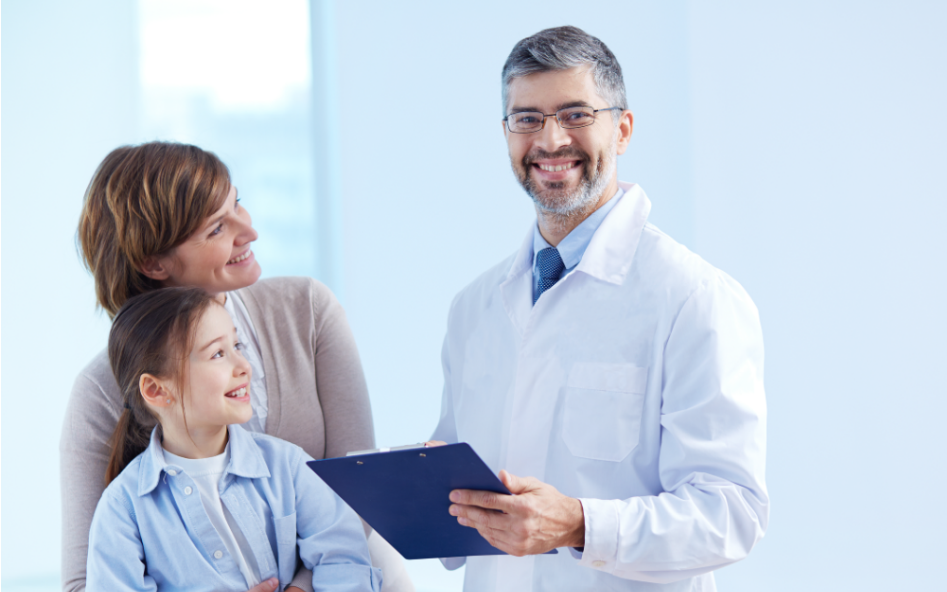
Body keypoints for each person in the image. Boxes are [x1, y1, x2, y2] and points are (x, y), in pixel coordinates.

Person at [432, 26, 769, 591]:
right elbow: (463, 501)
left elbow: (731, 514)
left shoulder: (692, 298)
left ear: (624, 128)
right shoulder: (474, 310)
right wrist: (421, 490)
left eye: (576, 115)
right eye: (528, 118)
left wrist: (579, 525)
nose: (550, 139)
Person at [62, 142, 413, 592]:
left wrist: (300, 588)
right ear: (154, 263)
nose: (249, 231)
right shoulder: (99, 394)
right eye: (216, 228)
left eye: (238, 204)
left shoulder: (307, 309)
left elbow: (357, 498)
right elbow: (85, 582)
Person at [88, 287, 382, 592]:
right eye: (217, 353)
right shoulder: (123, 508)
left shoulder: (288, 466)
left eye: (237, 345)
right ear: (157, 391)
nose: (244, 366)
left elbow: (346, 559)